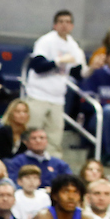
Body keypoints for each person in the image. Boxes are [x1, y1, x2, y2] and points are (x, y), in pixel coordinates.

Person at [25, 9, 84, 156]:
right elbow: (37, 66)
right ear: (55, 25)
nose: (64, 25)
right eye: (61, 22)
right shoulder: (46, 41)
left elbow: (78, 73)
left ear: (72, 26)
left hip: (58, 98)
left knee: (54, 138)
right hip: (38, 95)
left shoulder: (73, 46)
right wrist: (58, 61)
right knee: (32, 134)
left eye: (68, 22)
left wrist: (92, 69)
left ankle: (51, 169)